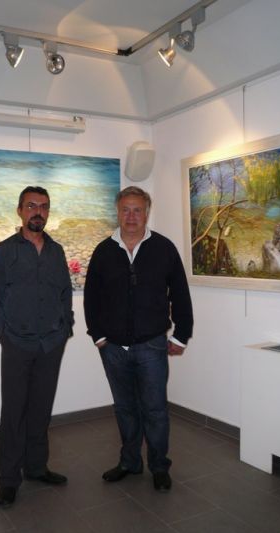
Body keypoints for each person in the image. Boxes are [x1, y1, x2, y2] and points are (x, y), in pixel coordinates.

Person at [84, 186, 193, 491]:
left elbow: (180, 294)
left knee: (155, 409)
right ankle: (130, 462)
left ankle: (159, 466)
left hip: (151, 345)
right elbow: (91, 298)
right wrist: (98, 336)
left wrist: (181, 335)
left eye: (137, 210)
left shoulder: (164, 249)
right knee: (125, 408)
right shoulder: (104, 251)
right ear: (117, 212)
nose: (131, 216)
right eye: (125, 210)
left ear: (147, 212)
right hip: (113, 347)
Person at [0, 185, 73, 507]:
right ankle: (9, 479)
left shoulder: (56, 252)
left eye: (44, 206)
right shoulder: (3, 252)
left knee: (40, 409)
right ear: (20, 210)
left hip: (51, 343)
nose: (38, 212)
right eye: (32, 205)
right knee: (14, 412)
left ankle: (36, 468)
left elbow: (65, 292)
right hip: (17, 344)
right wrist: (5, 334)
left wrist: (66, 327)